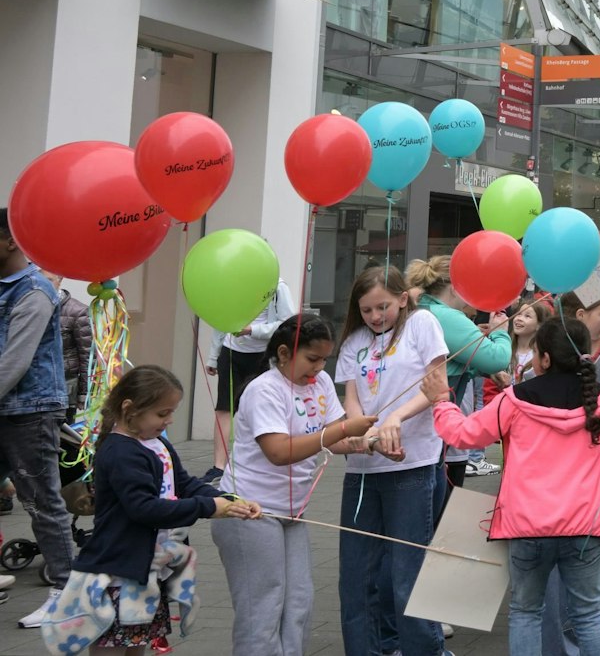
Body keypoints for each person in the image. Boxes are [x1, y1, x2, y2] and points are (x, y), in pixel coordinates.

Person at [429, 316, 600, 656]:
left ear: (544, 359)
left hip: (527, 526)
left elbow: (463, 434)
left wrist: (441, 403)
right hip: (585, 525)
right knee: (588, 614)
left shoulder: (513, 400)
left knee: (526, 611)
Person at [42, 366, 258, 653]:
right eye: (162, 413)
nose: (168, 420)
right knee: (113, 646)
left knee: (136, 645)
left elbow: (184, 483)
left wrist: (228, 499)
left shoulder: (156, 444)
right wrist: (208, 507)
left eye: (171, 412)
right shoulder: (121, 452)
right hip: (118, 570)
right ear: (130, 409)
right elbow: (143, 508)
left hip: (147, 568)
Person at [212, 314, 376, 655]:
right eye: (312, 359)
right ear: (284, 353)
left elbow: (331, 441)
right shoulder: (264, 390)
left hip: (291, 511)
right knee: (263, 607)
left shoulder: (321, 384)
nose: (318, 368)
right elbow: (278, 451)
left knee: (299, 602)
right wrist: (345, 429)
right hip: (249, 509)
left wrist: (371, 444)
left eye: (324, 360)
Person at [335, 265, 449, 656]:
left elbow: (438, 386)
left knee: (408, 575)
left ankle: (425, 650)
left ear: (402, 298)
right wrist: (363, 433)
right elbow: (352, 399)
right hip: (363, 469)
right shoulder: (355, 340)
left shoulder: (422, 324)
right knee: (356, 576)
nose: (375, 317)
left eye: (382, 306)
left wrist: (396, 417)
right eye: (366, 310)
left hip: (413, 465)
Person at [1, 206, 76, 628]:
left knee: (42, 501)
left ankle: (68, 593)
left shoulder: (33, 291)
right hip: (7, 407)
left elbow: (14, 362)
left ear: (10, 240)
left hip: (29, 410)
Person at [408, 256, 512, 500]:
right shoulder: (447, 316)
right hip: (430, 423)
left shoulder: (423, 308)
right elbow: (497, 358)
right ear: (455, 287)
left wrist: (480, 370)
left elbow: (449, 360)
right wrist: (501, 333)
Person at [205, 280, 299, 478]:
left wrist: (252, 330)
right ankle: (219, 467)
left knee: (263, 408)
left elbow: (287, 324)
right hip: (231, 352)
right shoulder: (231, 284)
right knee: (223, 408)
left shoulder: (276, 285)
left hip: (262, 355)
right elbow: (221, 321)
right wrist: (214, 356)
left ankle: (263, 462)